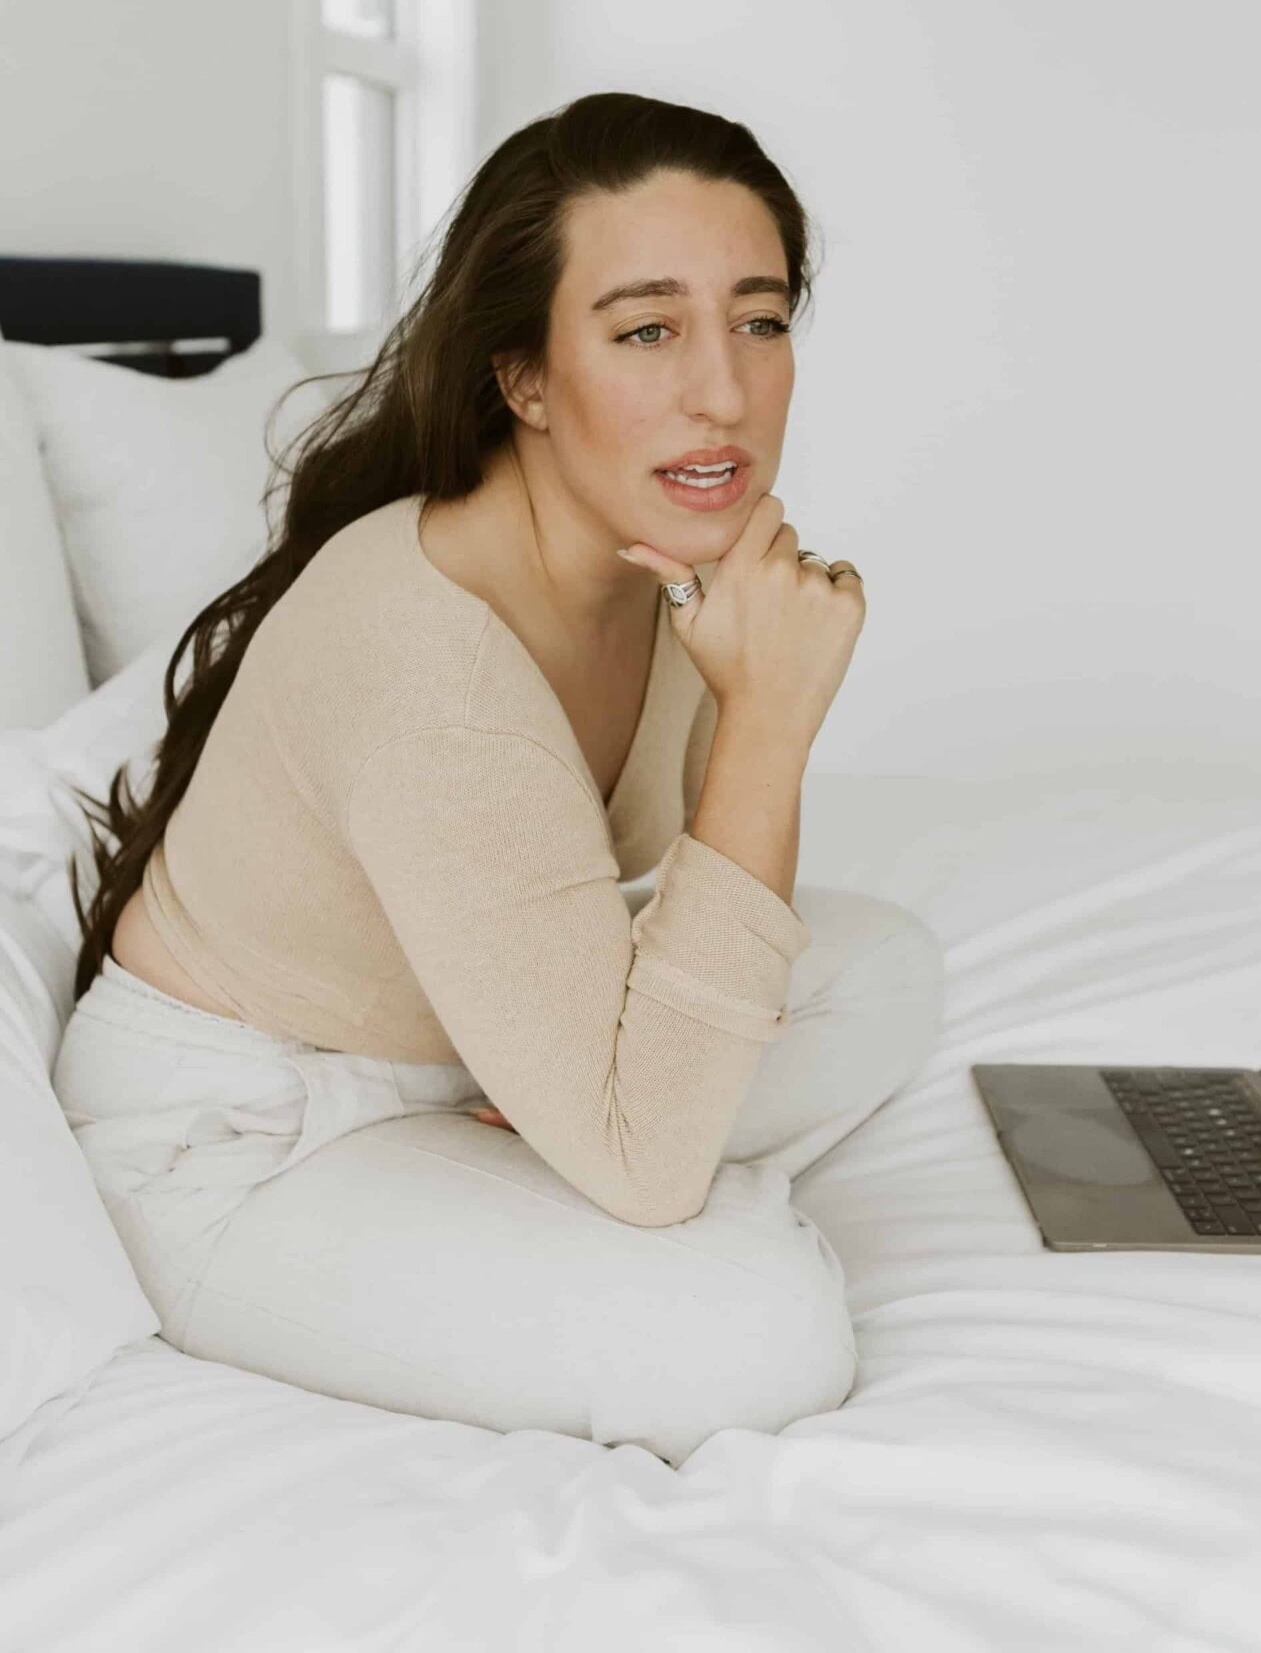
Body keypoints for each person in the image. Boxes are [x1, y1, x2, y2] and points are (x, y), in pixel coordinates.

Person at [52, 90, 945, 1467]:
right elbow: (651, 1156)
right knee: (756, 1333)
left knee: (886, 968)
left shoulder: (661, 567)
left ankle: (559, 1132)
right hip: (244, 1144)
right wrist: (771, 717)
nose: (722, 388)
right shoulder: (427, 663)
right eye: (646, 329)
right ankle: (570, 1152)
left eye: (758, 320)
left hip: (459, 1049)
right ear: (522, 377)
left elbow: (721, 877)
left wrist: (739, 690)